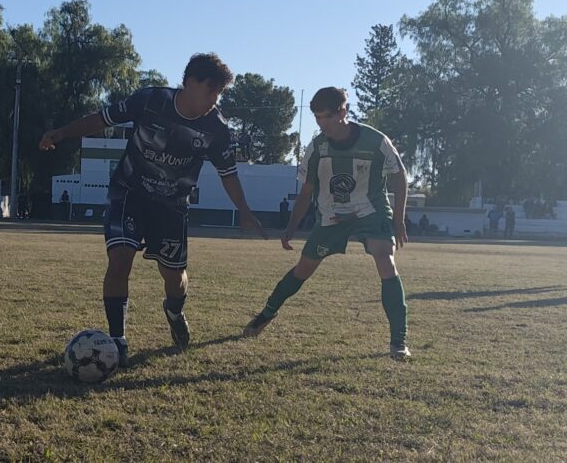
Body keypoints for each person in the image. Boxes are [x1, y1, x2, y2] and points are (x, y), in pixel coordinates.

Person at [39, 53, 267, 367]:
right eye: (210, 90)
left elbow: (229, 174)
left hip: (172, 206)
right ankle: (117, 341)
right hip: (129, 192)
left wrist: (244, 210)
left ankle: (174, 310)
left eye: (219, 94)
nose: (214, 100)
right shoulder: (150, 100)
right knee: (119, 261)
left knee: (174, 277)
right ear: (189, 83)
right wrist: (61, 133)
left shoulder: (216, 129)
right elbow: (102, 118)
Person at [243, 87, 412, 360]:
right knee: (303, 269)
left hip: (371, 212)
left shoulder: (375, 141)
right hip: (331, 216)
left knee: (386, 261)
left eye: (327, 117)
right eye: (318, 118)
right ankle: (265, 315)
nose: (323, 124)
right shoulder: (316, 148)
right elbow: (307, 191)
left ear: (343, 112)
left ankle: (398, 342)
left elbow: (400, 175)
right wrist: (290, 228)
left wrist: (400, 219)